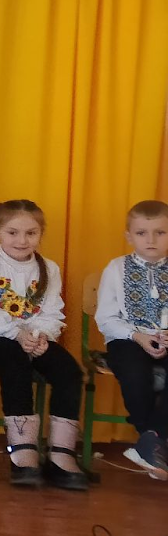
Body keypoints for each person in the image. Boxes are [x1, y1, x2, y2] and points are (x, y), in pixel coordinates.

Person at [0, 199, 87, 491]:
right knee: (15, 363)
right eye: (13, 232)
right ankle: (23, 451)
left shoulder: (49, 268)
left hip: (33, 339)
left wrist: (42, 335)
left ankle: (61, 454)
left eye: (31, 233)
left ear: (40, 234)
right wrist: (16, 334)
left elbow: (53, 312)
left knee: (68, 371)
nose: (22, 240)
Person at [94, 199, 168, 480]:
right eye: (141, 233)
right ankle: (153, 440)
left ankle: (152, 440)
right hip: (127, 338)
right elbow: (106, 318)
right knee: (135, 373)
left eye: (160, 233)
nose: (151, 240)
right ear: (129, 236)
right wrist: (138, 336)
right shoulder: (116, 268)